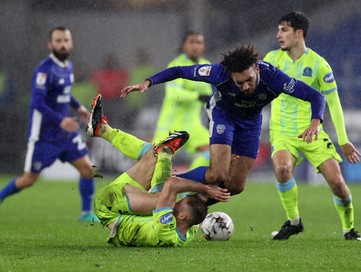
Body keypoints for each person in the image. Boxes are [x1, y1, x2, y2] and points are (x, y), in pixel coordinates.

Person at [121, 44, 326, 204]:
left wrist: (316, 121)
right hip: (223, 116)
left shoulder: (274, 77)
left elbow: (315, 96)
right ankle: (170, 184)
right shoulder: (218, 72)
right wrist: (147, 82)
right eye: (239, 83)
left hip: (251, 122)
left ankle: (191, 203)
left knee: (235, 186)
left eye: (249, 80)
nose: (246, 86)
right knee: (217, 174)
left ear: (257, 69)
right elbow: (180, 71)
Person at [263, 11, 361, 240]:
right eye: (278, 29)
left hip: (313, 131)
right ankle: (294, 221)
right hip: (282, 130)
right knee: (282, 170)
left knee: (337, 183)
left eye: (284, 29)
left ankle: (349, 228)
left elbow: (333, 103)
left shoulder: (319, 65)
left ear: (299, 33)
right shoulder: (271, 59)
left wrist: (344, 139)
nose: (279, 34)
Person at [86, 94, 230, 247]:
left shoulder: (165, 230)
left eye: (180, 203)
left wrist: (205, 188)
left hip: (108, 206)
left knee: (164, 191)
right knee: (153, 155)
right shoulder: (189, 227)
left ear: (181, 216)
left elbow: (172, 184)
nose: (178, 201)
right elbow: (198, 207)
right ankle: (103, 130)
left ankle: (165, 153)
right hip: (127, 206)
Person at [0, 27, 98, 222]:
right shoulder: (44, 70)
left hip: (65, 134)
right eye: (58, 41)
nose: (62, 44)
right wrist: (60, 120)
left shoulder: (68, 66)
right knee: (28, 180)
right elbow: (37, 102)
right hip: (44, 136)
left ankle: (86, 213)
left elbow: (64, 93)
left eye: (65, 40)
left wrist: (78, 107)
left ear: (71, 43)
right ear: (50, 45)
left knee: (88, 169)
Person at [153, 31, 213, 170]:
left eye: (199, 42)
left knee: (213, 152)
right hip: (171, 126)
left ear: (204, 46)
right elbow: (173, 93)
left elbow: (208, 96)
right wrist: (197, 96)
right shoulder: (176, 65)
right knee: (155, 165)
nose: (195, 46)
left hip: (193, 125)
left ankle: (187, 182)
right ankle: (133, 189)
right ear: (184, 46)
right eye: (191, 42)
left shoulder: (206, 66)